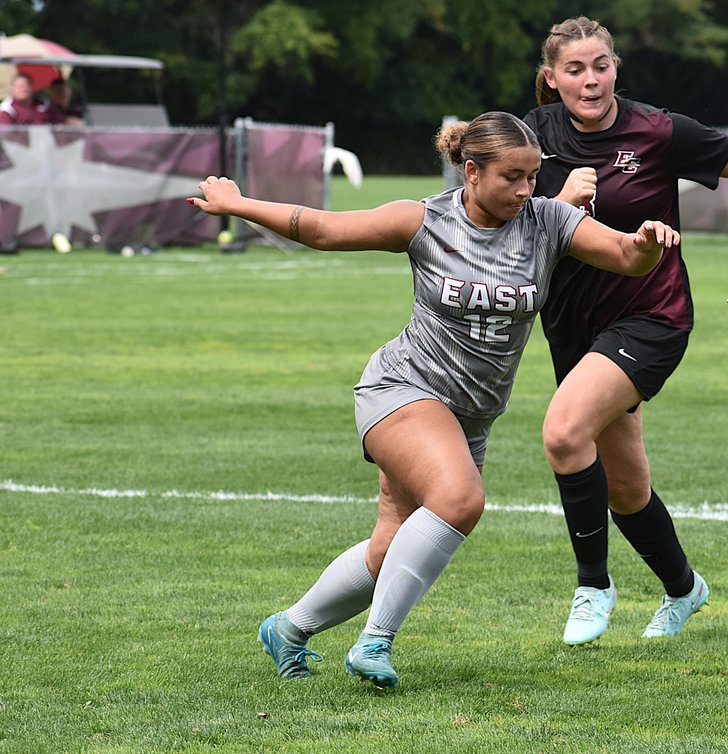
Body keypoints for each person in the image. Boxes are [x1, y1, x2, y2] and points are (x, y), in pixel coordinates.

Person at [188, 111, 679, 687]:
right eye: (512, 178)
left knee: (387, 551)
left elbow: (624, 256)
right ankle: (374, 643)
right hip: (403, 389)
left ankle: (289, 629)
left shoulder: (547, 221)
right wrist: (237, 204)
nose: (527, 189)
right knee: (460, 498)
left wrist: (647, 244)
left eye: (533, 176)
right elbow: (321, 228)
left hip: (468, 418)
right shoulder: (426, 220)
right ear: (471, 172)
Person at [523, 16, 728, 646]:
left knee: (562, 430)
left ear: (616, 69)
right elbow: (496, 205)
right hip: (571, 323)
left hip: (651, 315)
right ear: (551, 78)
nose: (590, 79)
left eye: (600, 65)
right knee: (627, 485)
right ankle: (685, 589)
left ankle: (592, 586)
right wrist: (558, 201)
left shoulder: (657, 130)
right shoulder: (530, 135)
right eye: (574, 69)